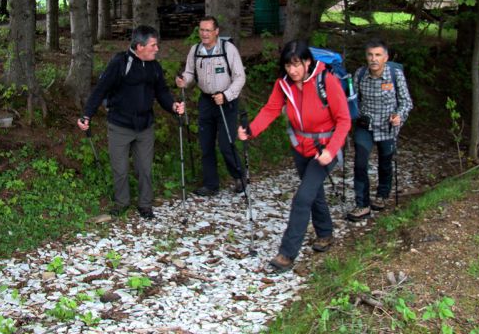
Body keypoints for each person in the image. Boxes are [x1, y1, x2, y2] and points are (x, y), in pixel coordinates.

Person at [238, 40, 350, 272]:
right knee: (313, 192)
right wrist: (252, 130)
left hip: (325, 148)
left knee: (302, 198)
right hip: (300, 147)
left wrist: (331, 150)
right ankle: (326, 234)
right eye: (288, 66)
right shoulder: (284, 84)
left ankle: (287, 254)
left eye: (297, 64)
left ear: (307, 62)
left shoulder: (326, 81)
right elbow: (271, 109)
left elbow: (344, 119)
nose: (293, 70)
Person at [77, 26, 184, 220]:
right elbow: (100, 90)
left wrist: (173, 106)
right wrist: (87, 115)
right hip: (120, 125)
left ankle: (145, 205)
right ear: (140, 46)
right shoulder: (120, 63)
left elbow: (162, 92)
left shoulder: (154, 67)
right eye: (153, 45)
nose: (157, 48)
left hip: (145, 126)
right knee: (120, 169)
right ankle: (122, 203)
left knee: (144, 168)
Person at [176, 16, 246, 196]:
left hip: (226, 100)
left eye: (208, 30)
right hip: (206, 100)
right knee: (205, 143)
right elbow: (190, 72)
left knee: (226, 143)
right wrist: (184, 80)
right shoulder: (195, 50)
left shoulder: (228, 49)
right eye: (201, 30)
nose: (204, 34)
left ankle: (239, 177)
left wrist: (227, 95)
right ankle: (210, 184)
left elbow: (240, 77)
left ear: (216, 31)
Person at [347, 39, 413, 222]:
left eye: (378, 55)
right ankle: (362, 205)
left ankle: (382, 195)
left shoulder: (395, 75)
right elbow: (354, 100)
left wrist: (399, 116)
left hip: (388, 127)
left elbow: (406, 102)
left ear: (386, 57)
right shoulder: (360, 74)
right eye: (370, 55)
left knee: (385, 162)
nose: (373, 59)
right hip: (365, 126)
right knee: (360, 163)